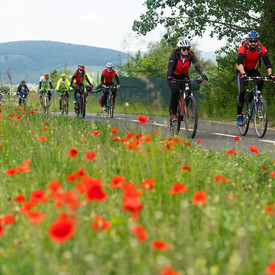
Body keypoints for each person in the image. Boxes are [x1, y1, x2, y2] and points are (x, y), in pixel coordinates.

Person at [236, 31, 275, 126]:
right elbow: (240, 62)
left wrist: (270, 74)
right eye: (251, 41)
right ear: (248, 41)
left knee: (261, 80)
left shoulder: (261, 49)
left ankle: (258, 100)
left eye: (255, 41)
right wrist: (243, 73)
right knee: (241, 92)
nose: (253, 43)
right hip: (241, 70)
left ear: (258, 41)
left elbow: (267, 63)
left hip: (252, 69)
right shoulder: (242, 48)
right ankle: (239, 115)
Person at [167, 38, 208, 121]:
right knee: (175, 92)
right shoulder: (174, 55)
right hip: (173, 76)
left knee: (188, 91)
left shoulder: (191, 55)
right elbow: (170, 67)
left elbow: (197, 66)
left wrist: (203, 75)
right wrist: (170, 76)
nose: (186, 51)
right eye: (184, 49)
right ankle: (173, 113)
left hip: (184, 76)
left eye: (188, 49)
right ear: (179, 49)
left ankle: (184, 109)